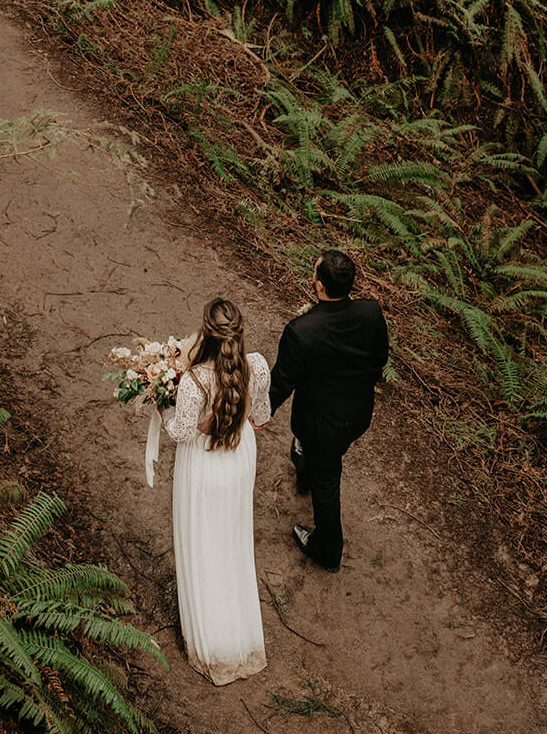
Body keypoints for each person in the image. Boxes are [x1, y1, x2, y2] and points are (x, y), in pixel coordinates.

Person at [163, 297, 271, 686]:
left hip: (204, 466)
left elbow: (179, 432)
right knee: (231, 541)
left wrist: (164, 406)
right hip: (239, 461)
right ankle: (239, 629)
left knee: (203, 542)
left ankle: (210, 638)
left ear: (205, 335)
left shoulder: (193, 382)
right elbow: (262, 417)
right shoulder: (256, 367)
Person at [269, 249, 389, 574]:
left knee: (327, 480)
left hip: (321, 424)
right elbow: (380, 358)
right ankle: (304, 469)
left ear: (320, 287)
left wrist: (258, 413)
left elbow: (282, 382)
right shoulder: (370, 312)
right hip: (357, 414)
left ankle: (327, 549)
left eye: (314, 272)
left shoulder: (302, 330)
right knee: (314, 456)